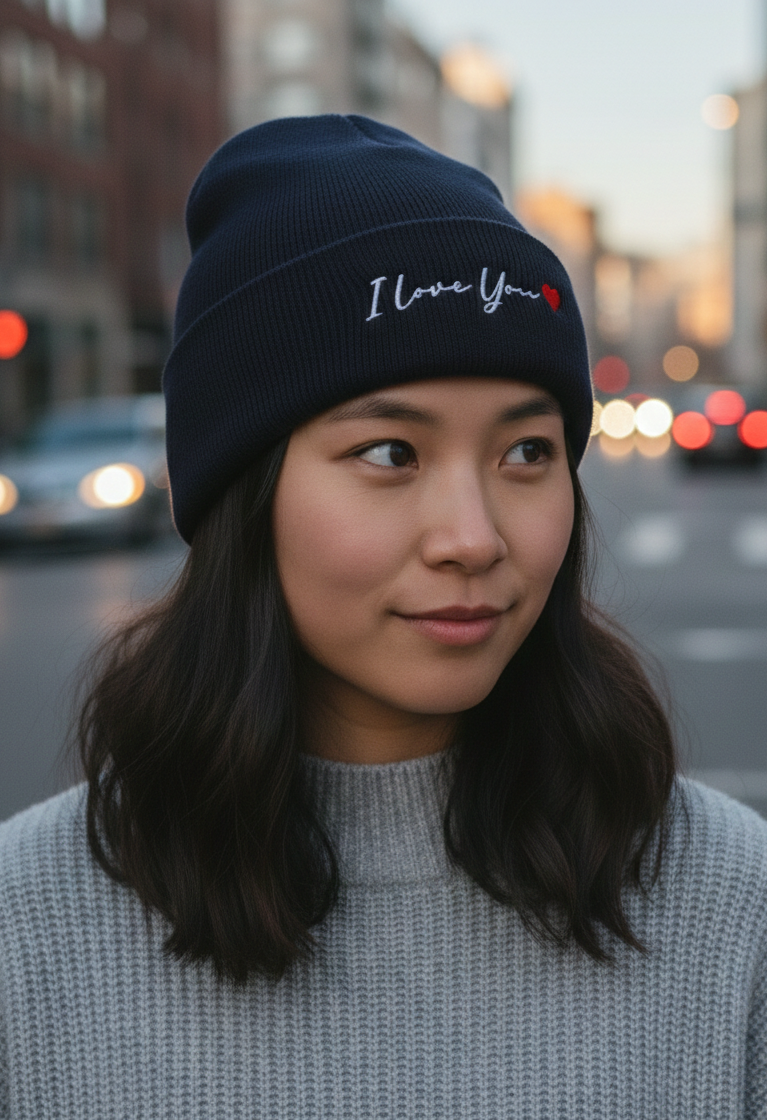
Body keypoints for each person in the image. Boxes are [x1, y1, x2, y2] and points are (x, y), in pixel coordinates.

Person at [1, 115, 766, 1119]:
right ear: (245, 490)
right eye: (390, 454)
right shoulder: (25, 928)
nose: (473, 535)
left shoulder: (728, 900)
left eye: (525, 452)